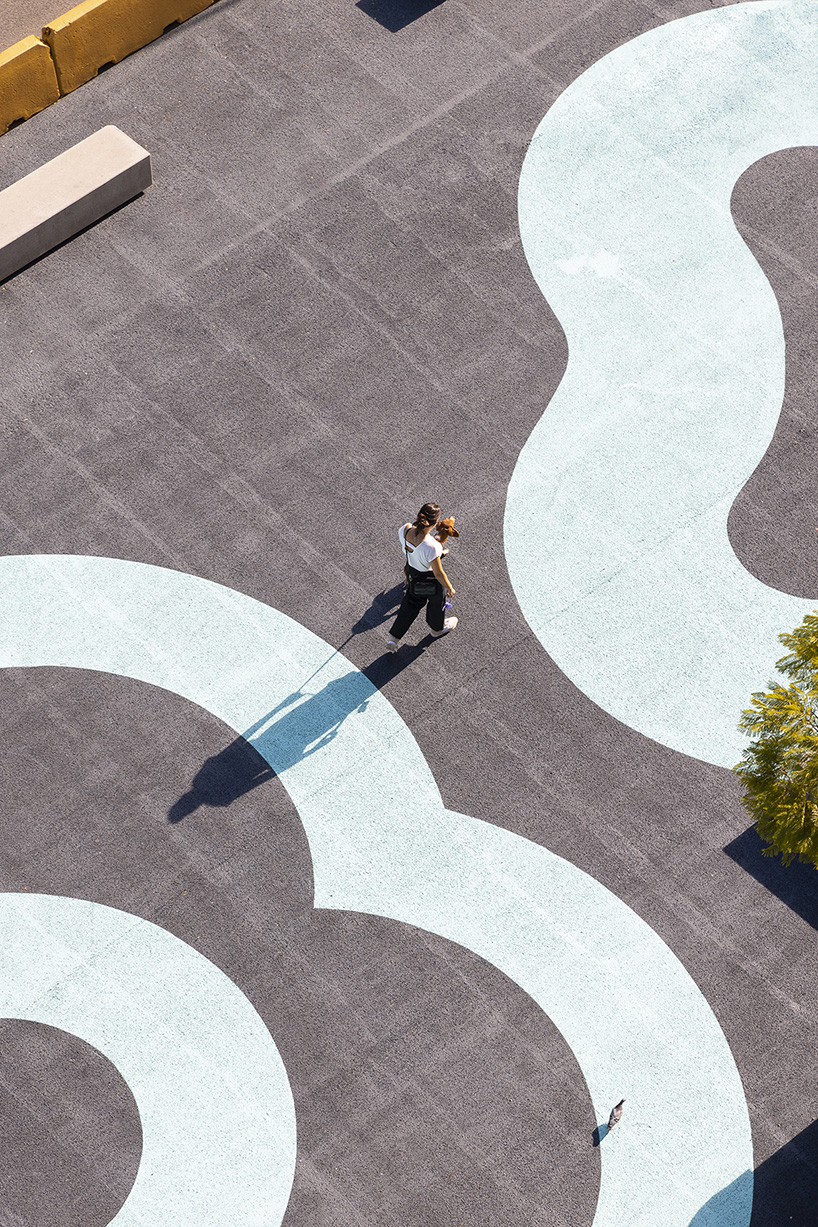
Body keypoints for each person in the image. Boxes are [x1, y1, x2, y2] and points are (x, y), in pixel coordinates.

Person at [387, 502, 457, 652]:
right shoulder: (432, 546)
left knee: (410, 604)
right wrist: (449, 587)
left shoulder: (405, 529)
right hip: (430, 582)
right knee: (436, 605)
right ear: (435, 523)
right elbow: (438, 573)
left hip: (412, 574)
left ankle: (394, 638)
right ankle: (437, 629)